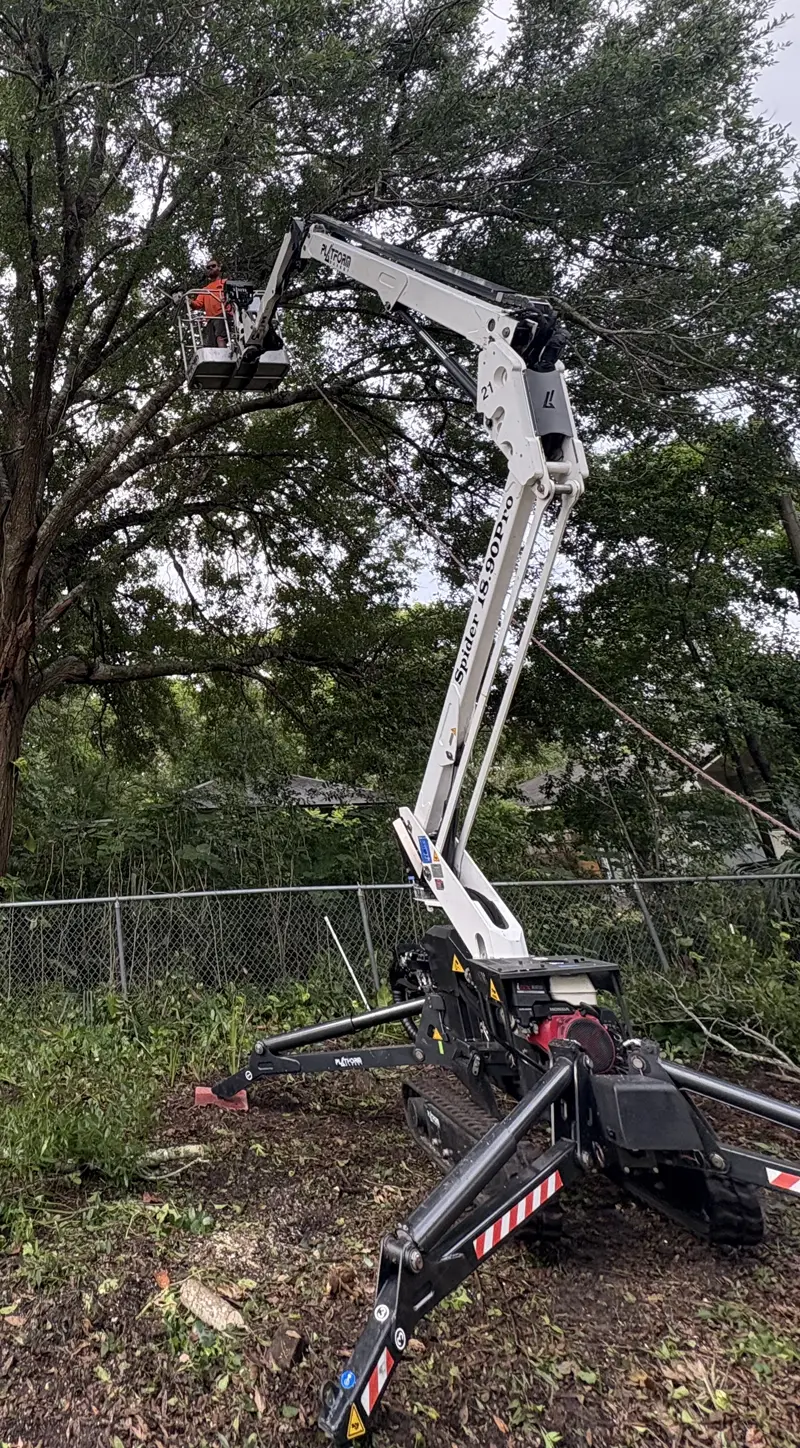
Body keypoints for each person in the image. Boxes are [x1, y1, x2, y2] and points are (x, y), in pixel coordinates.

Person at [191, 259, 232, 348]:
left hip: (223, 315)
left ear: (219, 268)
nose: (210, 268)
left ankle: (224, 357)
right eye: (208, 267)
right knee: (210, 345)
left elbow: (234, 296)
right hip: (210, 319)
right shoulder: (205, 289)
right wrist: (188, 301)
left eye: (213, 266)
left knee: (220, 337)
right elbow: (197, 304)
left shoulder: (226, 282)